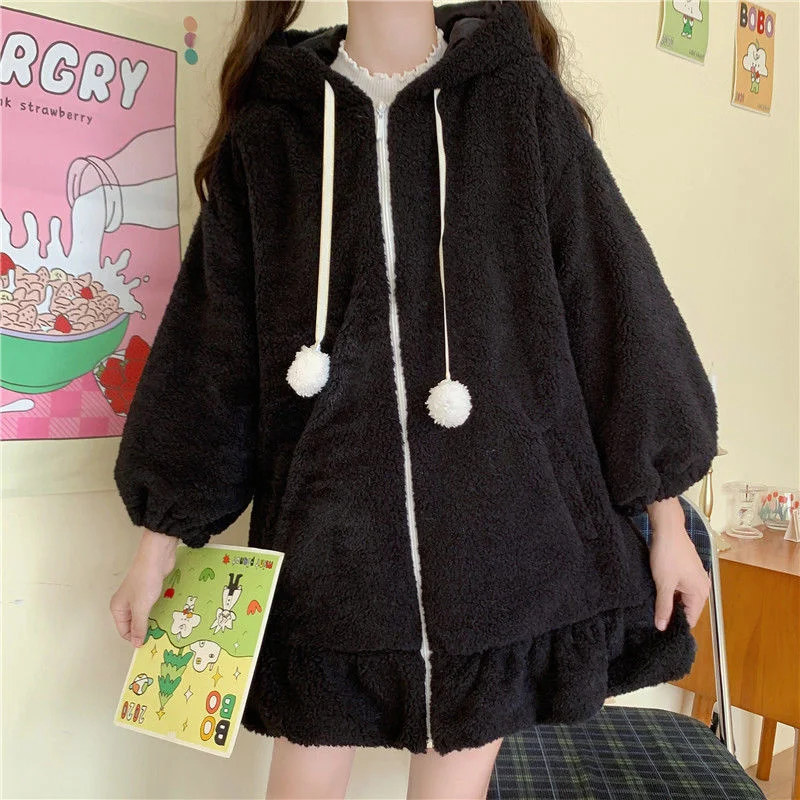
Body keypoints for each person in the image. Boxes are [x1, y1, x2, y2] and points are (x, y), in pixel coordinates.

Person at [109, 1, 718, 798]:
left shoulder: (516, 102)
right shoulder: (276, 128)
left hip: (499, 559)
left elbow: (614, 301)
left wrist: (668, 522)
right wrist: (157, 543)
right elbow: (210, 348)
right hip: (332, 563)